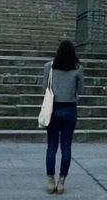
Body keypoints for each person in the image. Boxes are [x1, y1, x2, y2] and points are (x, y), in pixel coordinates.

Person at [43, 40, 84, 194]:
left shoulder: (49, 67)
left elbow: (44, 87)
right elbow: (81, 90)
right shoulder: (78, 69)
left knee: (51, 146)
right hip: (70, 109)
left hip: (53, 108)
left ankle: (50, 180)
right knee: (66, 146)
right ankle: (62, 181)